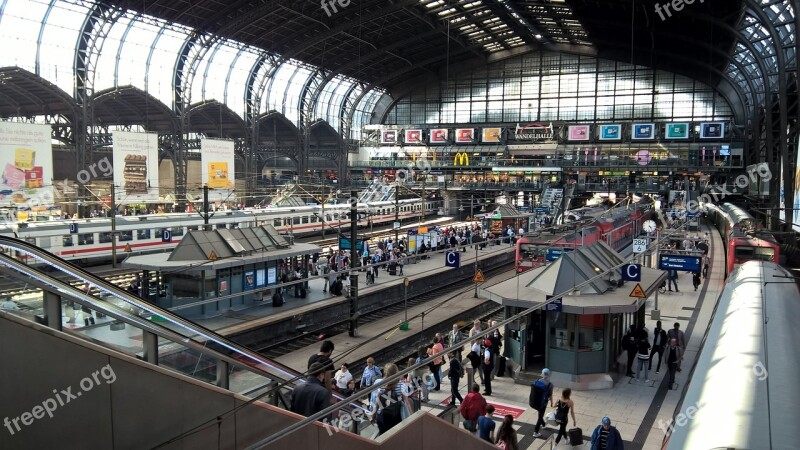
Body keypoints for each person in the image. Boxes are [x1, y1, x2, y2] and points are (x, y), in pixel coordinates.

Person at [531, 368, 554, 438]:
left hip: (534, 402)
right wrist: (552, 402)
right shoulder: (550, 385)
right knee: (540, 416)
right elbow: (550, 395)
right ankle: (535, 432)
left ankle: (543, 425)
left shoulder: (536, 381)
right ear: (548, 375)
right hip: (543, 403)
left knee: (540, 414)